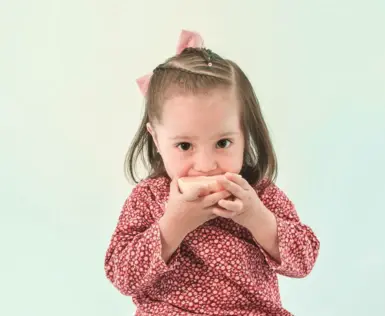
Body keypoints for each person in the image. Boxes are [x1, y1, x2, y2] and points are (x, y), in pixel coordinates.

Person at [104, 29, 320, 316]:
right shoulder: (148, 199)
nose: (206, 165)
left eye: (223, 143)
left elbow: (304, 260)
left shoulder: (259, 194)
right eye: (184, 145)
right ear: (156, 139)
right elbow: (122, 276)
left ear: (246, 135)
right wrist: (173, 225)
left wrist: (257, 218)